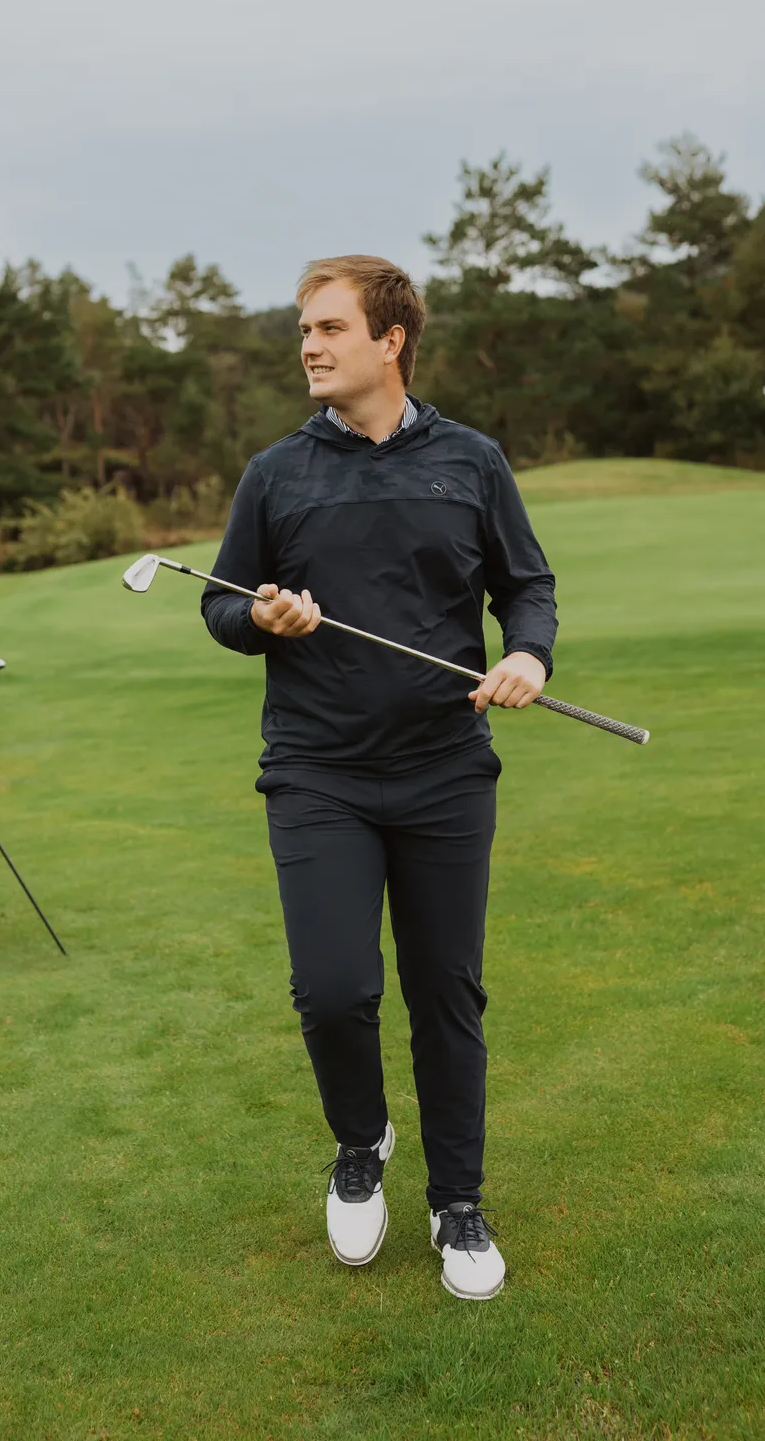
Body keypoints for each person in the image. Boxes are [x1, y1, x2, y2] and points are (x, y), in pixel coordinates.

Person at [200, 256, 557, 1300]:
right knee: (334, 991)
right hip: (318, 773)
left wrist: (527, 654)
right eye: (302, 330)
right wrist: (257, 618)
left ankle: (460, 1206)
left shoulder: (472, 462)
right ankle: (363, 1142)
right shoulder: (276, 474)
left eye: (329, 328)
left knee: (446, 991)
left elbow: (525, 586)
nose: (308, 346)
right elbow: (220, 605)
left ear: (390, 340)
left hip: (446, 770)